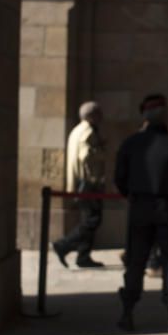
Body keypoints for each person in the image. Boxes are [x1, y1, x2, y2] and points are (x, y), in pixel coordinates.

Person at [115, 94, 168, 333]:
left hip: (140, 208)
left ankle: (127, 313)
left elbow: (119, 179)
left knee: (136, 261)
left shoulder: (130, 144)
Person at [53, 101, 107, 268]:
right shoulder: (88, 132)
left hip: (81, 182)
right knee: (92, 220)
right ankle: (64, 245)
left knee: (88, 218)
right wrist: (100, 152)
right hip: (88, 183)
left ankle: (83, 256)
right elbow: (86, 156)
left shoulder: (77, 130)